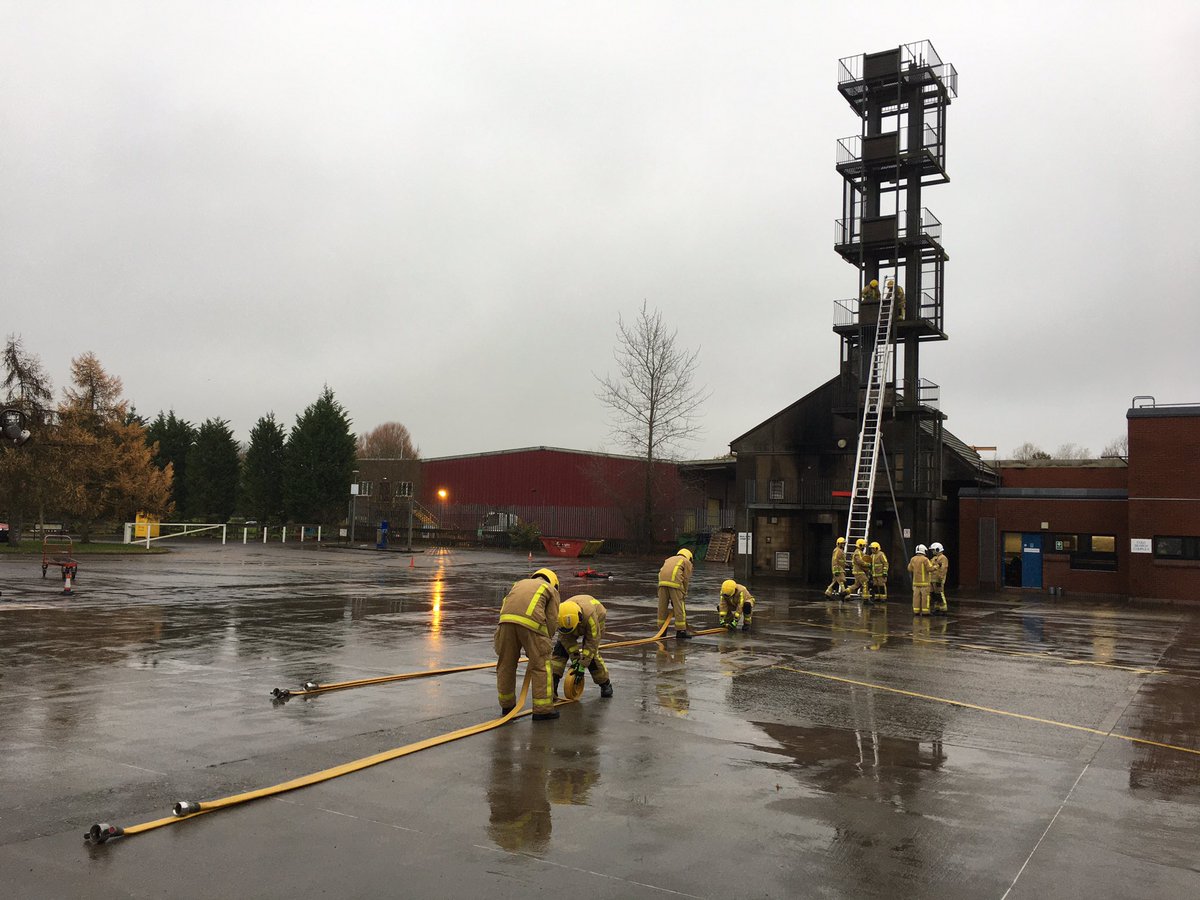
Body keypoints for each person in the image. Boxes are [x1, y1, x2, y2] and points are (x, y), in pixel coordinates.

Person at [494, 567, 561, 720]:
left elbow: (507, 603)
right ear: (554, 582)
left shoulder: (519, 584)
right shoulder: (550, 589)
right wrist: (546, 640)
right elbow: (552, 619)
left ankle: (507, 706)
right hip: (532, 625)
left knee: (506, 664)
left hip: (505, 622)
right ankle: (543, 710)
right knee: (541, 665)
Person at [551, 595, 613, 699]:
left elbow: (592, 641)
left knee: (591, 654)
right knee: (559, 651)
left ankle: (605, 684)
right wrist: (575, 659)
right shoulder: (560, 615)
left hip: (597, 616)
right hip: (571, 623)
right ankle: (552, 687)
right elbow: (566, 639)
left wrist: (583, 663)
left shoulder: (590, 617)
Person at [657, 547, 694, 639]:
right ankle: (681, 631)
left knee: (662, 606)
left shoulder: (669, 559)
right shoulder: (686, 562)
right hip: (675, 583)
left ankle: (662, 631)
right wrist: (683, 593)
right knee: (679, 607)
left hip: (662, 583)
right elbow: (685, 579)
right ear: (689, 557)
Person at [908, 544, 931, 615]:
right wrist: (936, 566)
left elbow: (909, 568)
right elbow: (930, 568)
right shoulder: (925, 559)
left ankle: (916, 611)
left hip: (915, 583)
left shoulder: (913, 559)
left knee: (916, 598)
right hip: (924, 583)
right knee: (925, 598)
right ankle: (925, 612)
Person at [929, 542, 950, 614]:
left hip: (938, 579)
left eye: (933, 550)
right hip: (932, 579)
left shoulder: (943, 558)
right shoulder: (934, 558)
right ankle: (937, 607)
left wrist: (940, 578)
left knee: (940, 593)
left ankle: (943, 608)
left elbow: (943, 568)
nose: (932, 551)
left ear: (937, 549)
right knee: (934, 594)